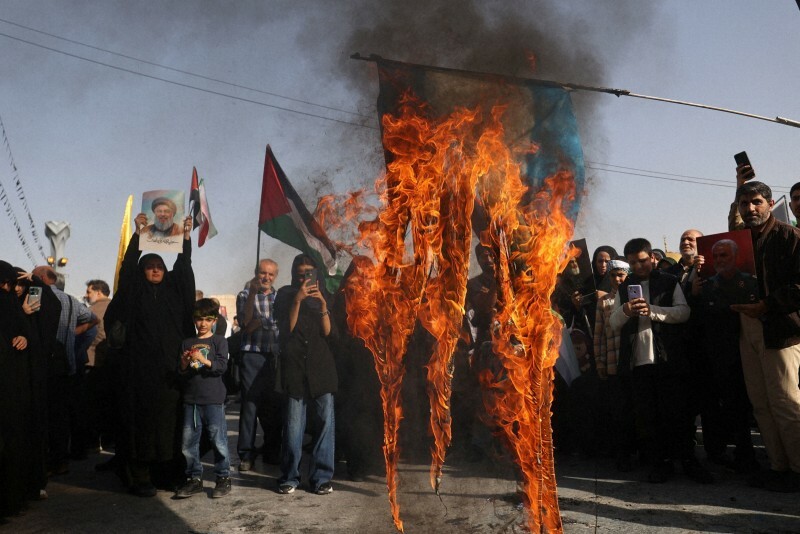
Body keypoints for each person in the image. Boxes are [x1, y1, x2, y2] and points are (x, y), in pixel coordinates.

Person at [103, 212, 195, 497]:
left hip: (169, 374)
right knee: (139, 425)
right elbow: (127, 268)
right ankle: (140, 476)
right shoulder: (133, 293)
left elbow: (184, 269)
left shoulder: (174, 292)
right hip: (139, 373)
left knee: (169, 424)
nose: (155, 270)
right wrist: (139, 234)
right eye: (150, 267)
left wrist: (186, 239)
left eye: (159, 266)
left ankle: (166, 475)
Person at [609, 238, 712, 484]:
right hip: (639, 363)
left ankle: (688, 460)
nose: (639, 266)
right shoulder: (625, 287)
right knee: (648, 417)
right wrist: (626, 311)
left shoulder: (668, 280)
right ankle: (660, 463)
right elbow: (613, 322)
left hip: (669, 360)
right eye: (633, 262)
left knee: (678, 413)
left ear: (651, 258)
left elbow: (684, 312)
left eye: (642, 261)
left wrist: (653, 311)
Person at [729, 181, 800, 492]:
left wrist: (767, 305)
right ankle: (778, 466)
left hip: (780, 330)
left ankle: (798, 469)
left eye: (756, 202)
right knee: (760, 404)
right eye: (745, 203)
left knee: (785, 403)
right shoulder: (741, 241)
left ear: (770, 203)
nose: (750, 208)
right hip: (748, 328)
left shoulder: (789, 236)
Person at [690, 239, 759, 472]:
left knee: (741, 407)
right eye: (716, 256)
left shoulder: (750, 283)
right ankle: (717, 452)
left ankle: (745, 453)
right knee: (714, 407)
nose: (719, 260)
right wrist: (694, 295)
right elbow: (696, 318)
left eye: (725, 256)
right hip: (713, 354)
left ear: (736, 257)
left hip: (743, 351)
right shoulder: (705, 285)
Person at [275, 254, 337, 495]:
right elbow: (285, 331)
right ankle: (290, 476)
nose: (304, 277)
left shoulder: (325, 296)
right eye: (300, 273)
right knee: (293, 426)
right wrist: (298, 300)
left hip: (322, 368)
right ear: (294, 274)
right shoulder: (284, 294)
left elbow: (329, 334)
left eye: (309, 273)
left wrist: (322, 306)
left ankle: (322, 478)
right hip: (294, 369)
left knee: (325, 425)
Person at [31, 265, 98, 475]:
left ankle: (43, 461)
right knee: (61, 415)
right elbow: (93, 320)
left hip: (43, 365)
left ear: (41, 278)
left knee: (43, 415)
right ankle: (60, 460)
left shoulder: (36, 293)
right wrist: (73, 335)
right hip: (66, 364)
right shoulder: (70, 299)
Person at [174, 298, 231, 499]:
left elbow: (221, 367)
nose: (203, 323)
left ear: (214, 320)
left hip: (213, 399)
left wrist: (204, 360)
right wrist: (183, 364)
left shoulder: (219, 341)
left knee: (219, 440)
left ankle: (223, 477)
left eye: (207, 319)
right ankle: (194, 479)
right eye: (199, 319)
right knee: (188, 443)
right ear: (194, 320)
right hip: (191, 401)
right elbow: (182, 374)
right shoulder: (187, 342)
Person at [235, 258, 281, 471]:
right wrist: (254, 295)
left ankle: (272, 450)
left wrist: (260, 322)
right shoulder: (245, 295)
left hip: (273, 358)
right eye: (263, 273)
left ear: (275, 277)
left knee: (272, 406)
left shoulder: (280, 297)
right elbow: (245, 323)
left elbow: (278, 324)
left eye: (270, 274)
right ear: (256, 273)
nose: (266, 277)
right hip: (252, 356)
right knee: (250, 405)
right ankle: (246, 453)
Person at [593, 259, 636, 470]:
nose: (618, 279)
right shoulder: (604, 302)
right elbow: (598, 335)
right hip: (612, 364)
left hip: (635, 364)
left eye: (621, 275)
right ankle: (622, 455)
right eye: (613, 275)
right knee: (618, 412)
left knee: (636, 409)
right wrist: (600, 362)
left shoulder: (637, 298)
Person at [0, 261, 31, 517]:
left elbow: (24, 334)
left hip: (10, 391)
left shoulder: (12, 308)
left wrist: (24, 337)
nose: (7, 289)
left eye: (9, 284)